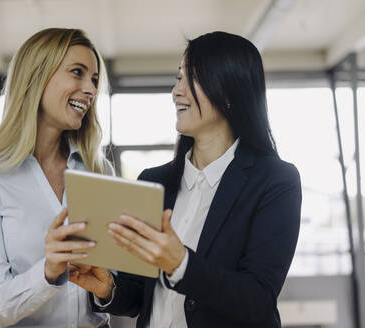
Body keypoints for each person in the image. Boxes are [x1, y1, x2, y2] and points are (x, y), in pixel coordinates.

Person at [70, 31, 302, 327]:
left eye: (190, 77)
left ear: (229, 90)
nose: (176, 90)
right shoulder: (153, 182)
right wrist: (107, 288)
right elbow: (140, 297)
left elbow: (257, 300)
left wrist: (181, 264)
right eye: (178, 77)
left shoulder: (275, 181)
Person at [0, 28, 112, 327]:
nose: (91, 89)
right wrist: (48, 271)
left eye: (94, 79)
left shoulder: (98, 170)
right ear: (37, 77)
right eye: (77, 73)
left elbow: (108, 286)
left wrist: (108, 290)